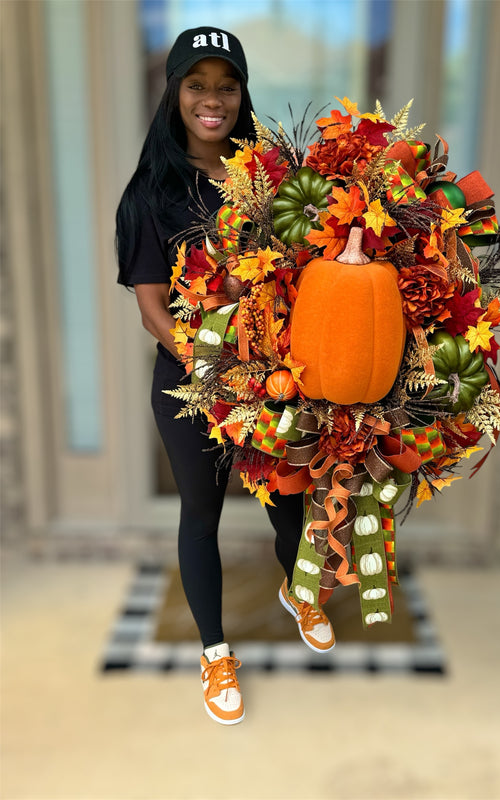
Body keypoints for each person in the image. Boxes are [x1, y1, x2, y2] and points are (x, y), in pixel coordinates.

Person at [115, 27, 335, 726]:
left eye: (226, 86)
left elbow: (307, 265)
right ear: (175, 93)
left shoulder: (268, 176)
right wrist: (213, 360)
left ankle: (298, 591)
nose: (213, 100)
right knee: (201, 516)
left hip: (273, 377)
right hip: (193, 381)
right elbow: (153, 309)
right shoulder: (152, 189)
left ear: (242, 95)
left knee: (287, 500)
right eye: (197, 85)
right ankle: (215, 654)